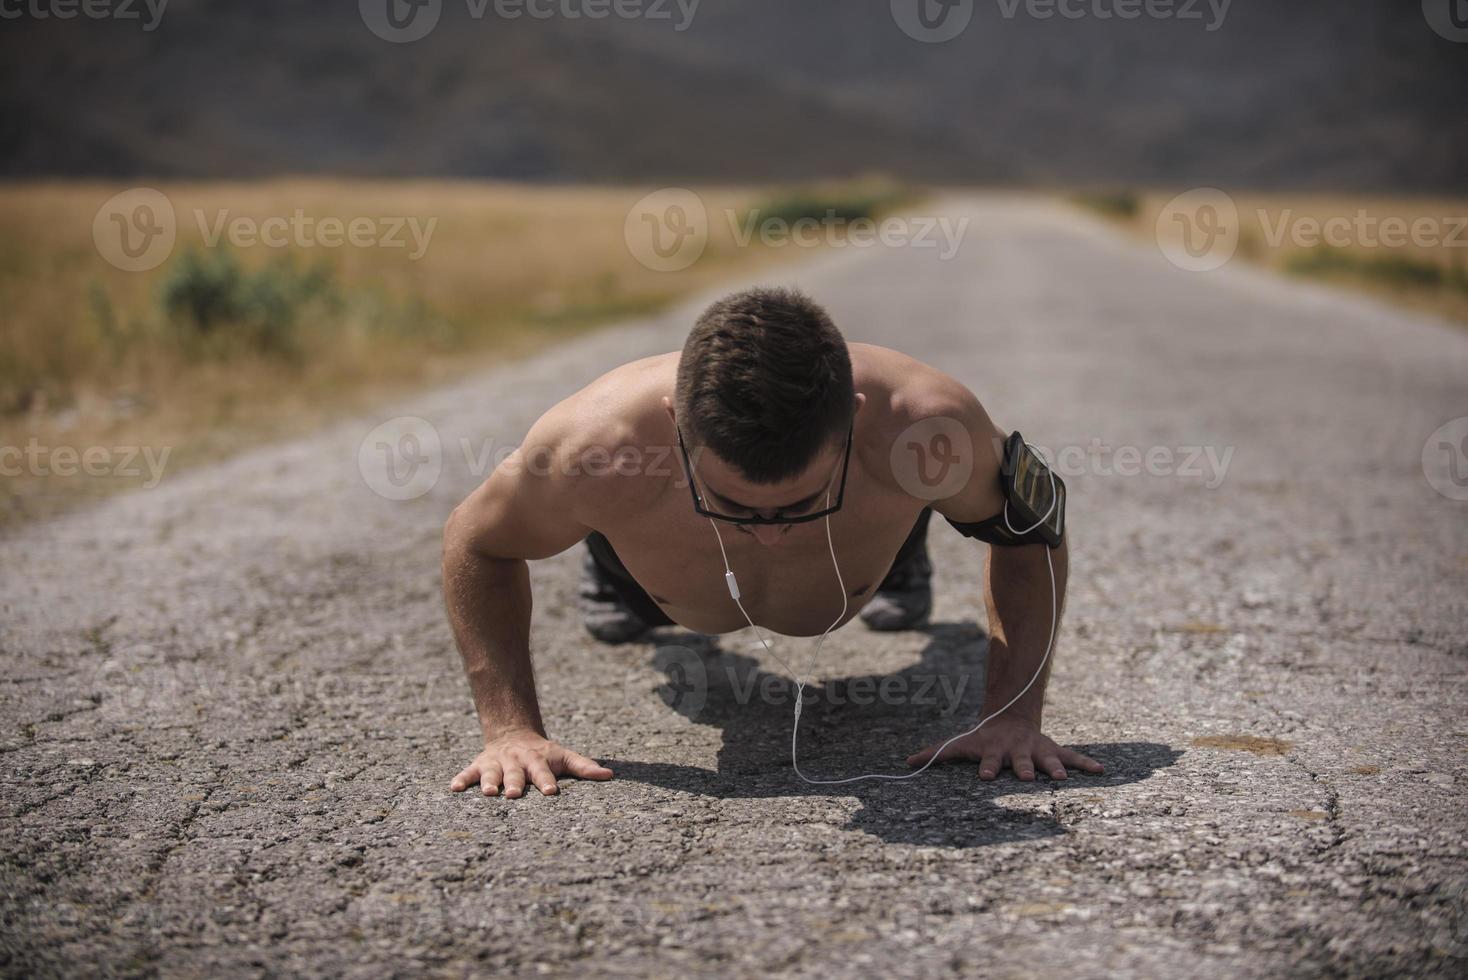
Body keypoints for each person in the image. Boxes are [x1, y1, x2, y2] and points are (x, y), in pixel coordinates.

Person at [443, 287, 1102, 799]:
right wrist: (510, 729)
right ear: (677, 421)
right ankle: (612, 563)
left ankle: (904, 538)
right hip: (657, 550)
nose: (773, 532)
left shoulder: (928, 430)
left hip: (866, 536)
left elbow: (1031, 529)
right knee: (642, 619)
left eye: (800, 503)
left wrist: (1015, 714)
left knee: (906, 496)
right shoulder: (594, 448)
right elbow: (476, 543)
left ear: (857, 419)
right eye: (730, 503)